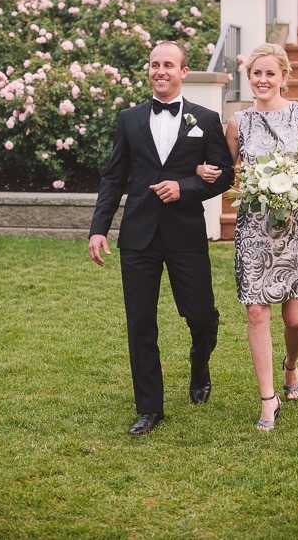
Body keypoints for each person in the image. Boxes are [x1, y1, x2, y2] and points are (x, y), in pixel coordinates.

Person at [88, 41, 234, 436]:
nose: (160, 71)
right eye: (155, 65)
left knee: (201, 316)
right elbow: (114, 178)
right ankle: (149, 408)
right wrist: (99, 228)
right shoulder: (129, 119)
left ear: (184, 71)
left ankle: (199, 364)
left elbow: (225, 174)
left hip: (185, 233)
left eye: (169, 64)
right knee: (140, 323)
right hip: (138, 235)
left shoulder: (205, 119)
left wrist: (185, 188)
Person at [199, 43, 298, 431]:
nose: (262, 80)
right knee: (256, 311)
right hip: (254, 230)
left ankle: (291, 366)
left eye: (270, 73)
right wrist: (205, 173)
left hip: (297, 227)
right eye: (256, 73)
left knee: (295, 321)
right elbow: (227, 173)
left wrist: (296, 187)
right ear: (249, 77)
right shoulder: (239, 123)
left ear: (283, 78)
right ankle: (267, 399)